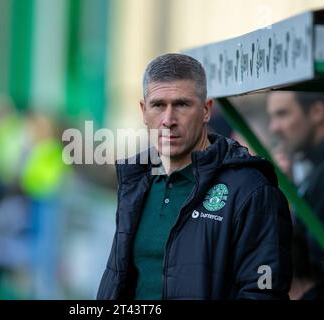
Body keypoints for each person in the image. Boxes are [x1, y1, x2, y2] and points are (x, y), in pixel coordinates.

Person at [97, 53, 292, 300]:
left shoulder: (250, 189)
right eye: (158, 105)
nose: (168, 120)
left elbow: (264, 292)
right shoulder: (136, 182)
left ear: (206, 110)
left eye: (182, 105)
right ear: (144, 111)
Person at [267, 91, 324, 266]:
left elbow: (309, 254)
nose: (274, 127)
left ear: (317, 112)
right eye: (272, 116)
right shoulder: (311, 164)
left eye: (282, 114)